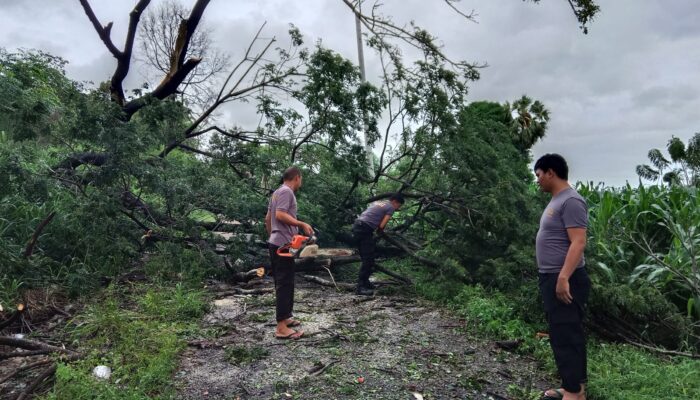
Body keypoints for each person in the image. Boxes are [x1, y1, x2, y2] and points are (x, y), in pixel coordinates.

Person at [534, 154, 590, 400]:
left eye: (538, 175)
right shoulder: (557, 200)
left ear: (550, 173)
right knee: (564, 333)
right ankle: (574, 388)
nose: (537, 181)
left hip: (565, 278)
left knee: (565, 334)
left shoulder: (571, 201)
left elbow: (578, 242)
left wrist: (563, 277)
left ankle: (573, 393)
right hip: (554, 276)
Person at [265, 166, 314, 339]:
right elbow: (279, 215)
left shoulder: (277, 192)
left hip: (278, 243)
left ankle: (285, 318)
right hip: (282, 246)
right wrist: (301, 224)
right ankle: (281, 328)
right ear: (297, 178)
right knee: (284, 284)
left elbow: (267, 219)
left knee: (285, 281)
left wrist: (273, 237)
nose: (301, 182)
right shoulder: (287, 192)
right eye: (301, 179)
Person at [352, 193, 405, 295]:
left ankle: (365, 282)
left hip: (357, 226)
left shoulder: (379, 202)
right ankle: (360, 288)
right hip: (364, 229)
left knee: (365, 257)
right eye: (399, 206)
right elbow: (381, 225)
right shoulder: (390, 207)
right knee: (368, 259)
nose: (398, 208)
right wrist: (381, 232)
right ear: (395, 202)